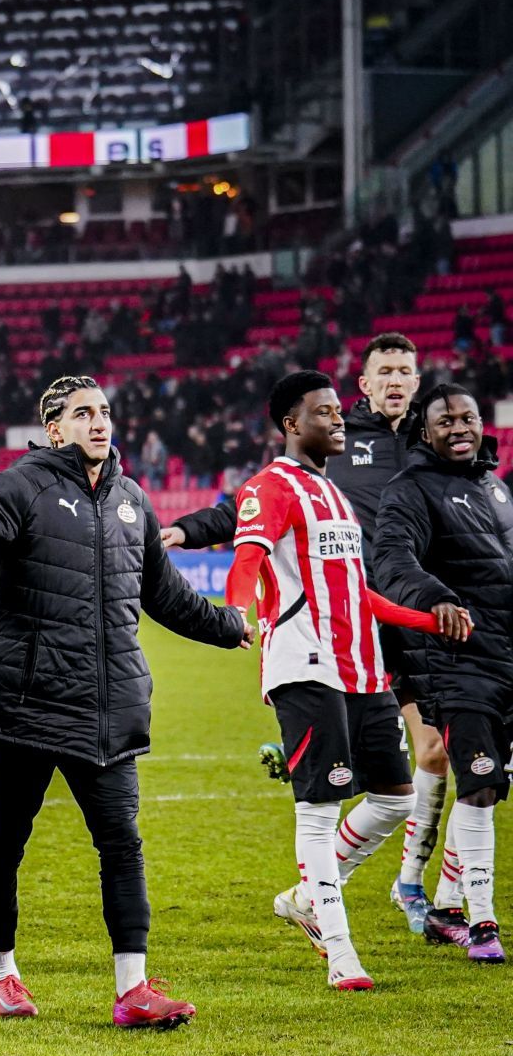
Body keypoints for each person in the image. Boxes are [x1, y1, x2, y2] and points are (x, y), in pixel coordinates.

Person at [0, 375, 246, 1027]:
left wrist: (230, 626)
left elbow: (165, 596)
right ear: (53, 428)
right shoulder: (21, 486)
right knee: (7, 843)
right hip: (29, 704)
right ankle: (2, 975)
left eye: (106, 411)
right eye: (83, 413)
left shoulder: (132, 502)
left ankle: (133, 989)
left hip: (106, 710)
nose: (99, 423)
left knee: (122, 844)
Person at [167, 334, 452, 929]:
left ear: (418, 381)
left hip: (405, 614)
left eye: (407, 370)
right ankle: (379, 889)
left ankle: (400, 884)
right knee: (398, 759)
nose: (397, 380)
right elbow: (253, 507)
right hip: (344, 624)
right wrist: (190, 530)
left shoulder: (436, 448)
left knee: (434, 755)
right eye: (385, 371)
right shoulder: (335, 446)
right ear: (365, 384)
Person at [226, 371, 465, 990]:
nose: (338, 420)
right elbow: (248, 559)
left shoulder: (335, 499)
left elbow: (357, 593)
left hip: (362, 667)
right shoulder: (270, 487)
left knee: (395, 798)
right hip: (305, 665)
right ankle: (340, 953)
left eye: (338, 411)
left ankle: (307, 896)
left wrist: (427, 620)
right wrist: (234, 609)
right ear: (290, 424)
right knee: (319, 807)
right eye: (323, 412)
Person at [372, 384, 505, 961]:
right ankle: (483, 924)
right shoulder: (410, 490)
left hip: (505, 659)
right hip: (455, 663)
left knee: (491, 785)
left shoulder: (496, 488)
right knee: (475, 783)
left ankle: (447, 902)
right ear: (425, 432)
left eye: (468, 418)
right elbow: (392, 559)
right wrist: (437, 597)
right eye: (446, 420)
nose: (459, 427)